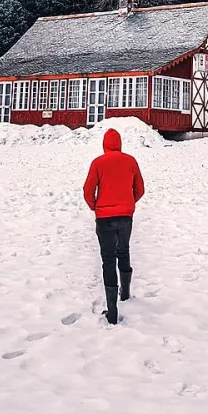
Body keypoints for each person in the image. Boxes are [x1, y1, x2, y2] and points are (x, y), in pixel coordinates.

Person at [83, 127, 145, 325]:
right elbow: (140, 189)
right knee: (124, 251)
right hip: (125, 216)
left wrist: (96, 207)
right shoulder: (130, 161)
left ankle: (112, 311)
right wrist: (129, 204)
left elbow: (87, 190)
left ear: (104, 144)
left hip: (104, 218)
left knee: (108, 259)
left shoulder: (98, 163)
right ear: (119, 143)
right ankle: (125, 293)